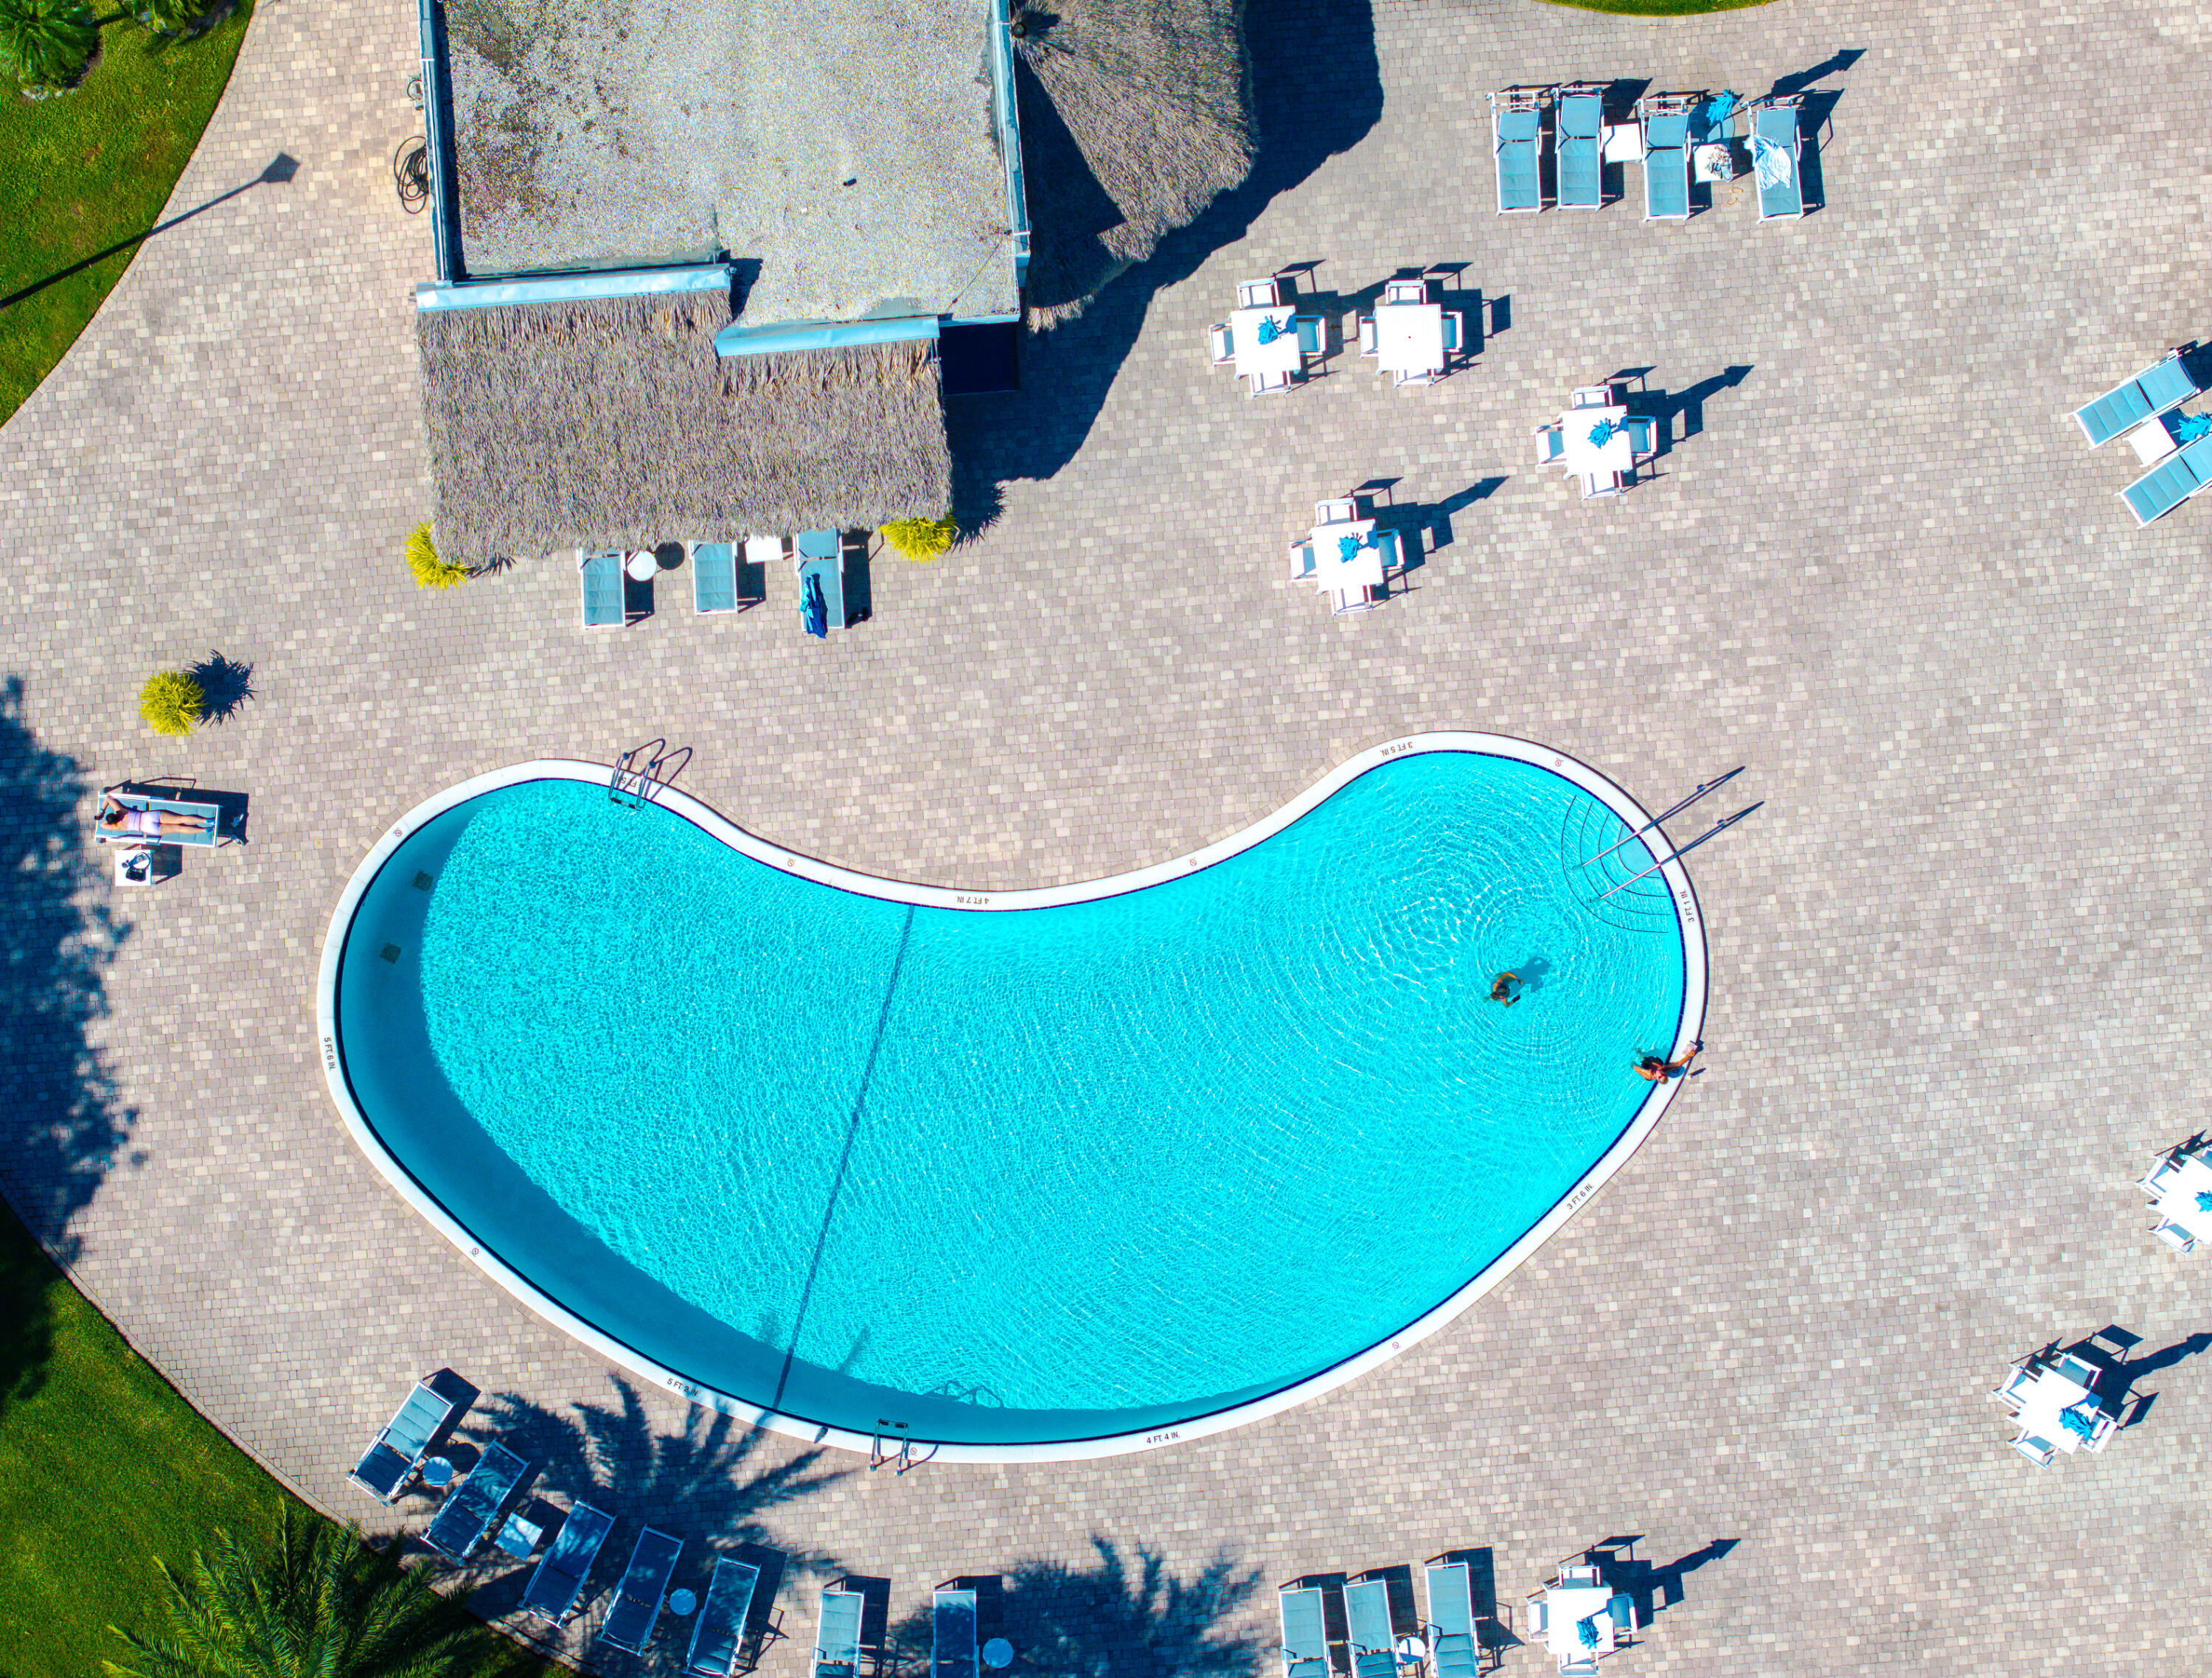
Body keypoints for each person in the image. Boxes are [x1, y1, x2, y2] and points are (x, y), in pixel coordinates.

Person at [98, 798, 212, 839]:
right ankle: (204, 820)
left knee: (179, 829)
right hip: (147, 817)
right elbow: (108, 798)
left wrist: (109, 821)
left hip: (146, 828)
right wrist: (102, 812)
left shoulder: (118, 827)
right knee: (180, 819)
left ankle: (203, 830)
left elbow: (102, 825)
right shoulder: (121, 811)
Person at [1634, 1041, 1703, 1082]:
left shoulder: (1652, 1074)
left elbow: (1678, 1064)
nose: (1660, 1074)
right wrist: (1689, 1056)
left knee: (1642, 1057)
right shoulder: (1661, 1070)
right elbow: (1679, 1064)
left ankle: (1639, 1053)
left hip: (1672, 1070)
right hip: (1675, 1071)